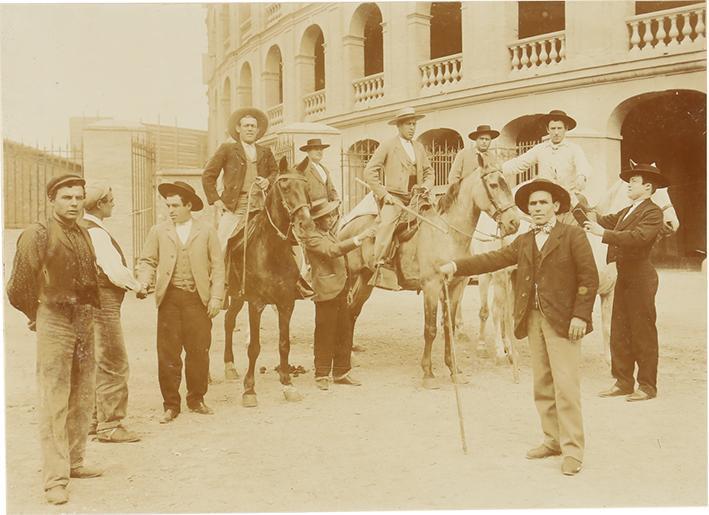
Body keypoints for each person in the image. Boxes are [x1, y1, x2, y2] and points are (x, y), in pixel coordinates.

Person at [438, 178, 599, 476]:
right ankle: (552, 439)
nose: (537, 208)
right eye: (533, 204)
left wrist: (580, 316)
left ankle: (573, 449)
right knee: (542, 384)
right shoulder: (524, 241)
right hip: (533, 318)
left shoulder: (573, 236)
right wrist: (456, 266)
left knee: (566, 386)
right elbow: (493, 259)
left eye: (543, 203)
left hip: (565, 321)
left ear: (556, 206)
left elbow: (589, 279)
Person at [7, 174, 103, 505]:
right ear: (52, 200)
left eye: (78, 197)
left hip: (85, 319)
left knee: (82, 394)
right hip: (55, 318)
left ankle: (75, 462)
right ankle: (55, 479)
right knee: (54, 399)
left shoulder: (83, 232)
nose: (74, 203)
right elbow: (18, 286)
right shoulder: (38, 233)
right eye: (67, 198)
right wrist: (38, 314)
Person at [136, 181, 225, 423]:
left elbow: (218, 266)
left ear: (188, 205)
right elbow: (147, 260)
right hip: (170, 299)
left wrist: (216, 297)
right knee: (168, 353)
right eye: (168, 206)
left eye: (175, 205)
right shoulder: (159, 230)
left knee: (198, 351)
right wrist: (144, 282)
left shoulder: (206, 231)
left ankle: (196, 399)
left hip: (198, 299)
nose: (171, 210)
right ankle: (171, 405)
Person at [584, 162, 669, 402]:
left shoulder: (653, 213)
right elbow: (601, 219)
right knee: (619, 331)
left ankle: (647, 386)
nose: (628, 184)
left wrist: (604, 235)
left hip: (641, 277)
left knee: (642, 332)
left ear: (648, 187)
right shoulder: (627, 211)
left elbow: (639, 238)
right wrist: (577, 204)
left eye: (633, 181)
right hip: (624, 276)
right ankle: (623, 381)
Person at [82, 185, 142, 443]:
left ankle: (93, 421)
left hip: (88, 303)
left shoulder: (82, 228)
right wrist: (138, 285)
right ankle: (111, 425)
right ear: (99, 204)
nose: (114, 205)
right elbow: (114, 272)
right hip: (103, 303)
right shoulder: (96, 233)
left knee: (97, 360)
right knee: (113, 361)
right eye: (111, 200)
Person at [301, 198, 377, 389]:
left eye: (332, 215)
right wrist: (359, 238)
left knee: (344, 331)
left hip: (341, 289)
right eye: (328, 216)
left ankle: (342, 371)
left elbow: (342, 259)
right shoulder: (313, 238)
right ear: (318, 220)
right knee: (325, 332)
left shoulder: (329, 234)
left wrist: (349, 289)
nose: (332, 218)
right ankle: (321, 374)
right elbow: (332, 251)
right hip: (326, 291)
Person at [364, 106, 434, 288]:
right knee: (387, 224)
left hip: (417, 198)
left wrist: (426, 186)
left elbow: (429, 172)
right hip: (394, 198)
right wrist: (384, 194)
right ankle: (381, 265)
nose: (412, 127)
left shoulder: (418, 147)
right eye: (408, 124)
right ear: (399, 126)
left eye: (414, 124)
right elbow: (369, 172)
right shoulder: (388, 145)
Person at [202, 107, 278, 251]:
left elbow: (275, 171)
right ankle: (219, 273)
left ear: (257, 130)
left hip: (262, 204)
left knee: (279, 240)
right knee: (222, 244)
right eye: (246, 126)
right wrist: (216, 200)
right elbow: (208, 176)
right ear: (238, 128)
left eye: (253, 126)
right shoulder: (227, 149)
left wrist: (268, 181)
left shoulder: (265, 151)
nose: (250, 129)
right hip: (236, 206)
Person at [502, 109, 598, 218]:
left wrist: (582, 176)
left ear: (565, 129)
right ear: (547, 129)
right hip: (544, 194)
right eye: (553, 128)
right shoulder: (540, 148)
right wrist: (499, 169)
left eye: (559, 128)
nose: (556, 132)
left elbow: (583, 164)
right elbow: (520, 163)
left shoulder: (574, 148)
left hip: (567, 194)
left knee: (580, 217)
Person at [299, 138, 339, 204]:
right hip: (311, 210)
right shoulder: (302, 168)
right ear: (308, 151)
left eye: (321, 150)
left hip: (326, 208)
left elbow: (331, 188)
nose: (319, 152)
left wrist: (336, 198)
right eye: (316, 149)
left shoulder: (324, 169)